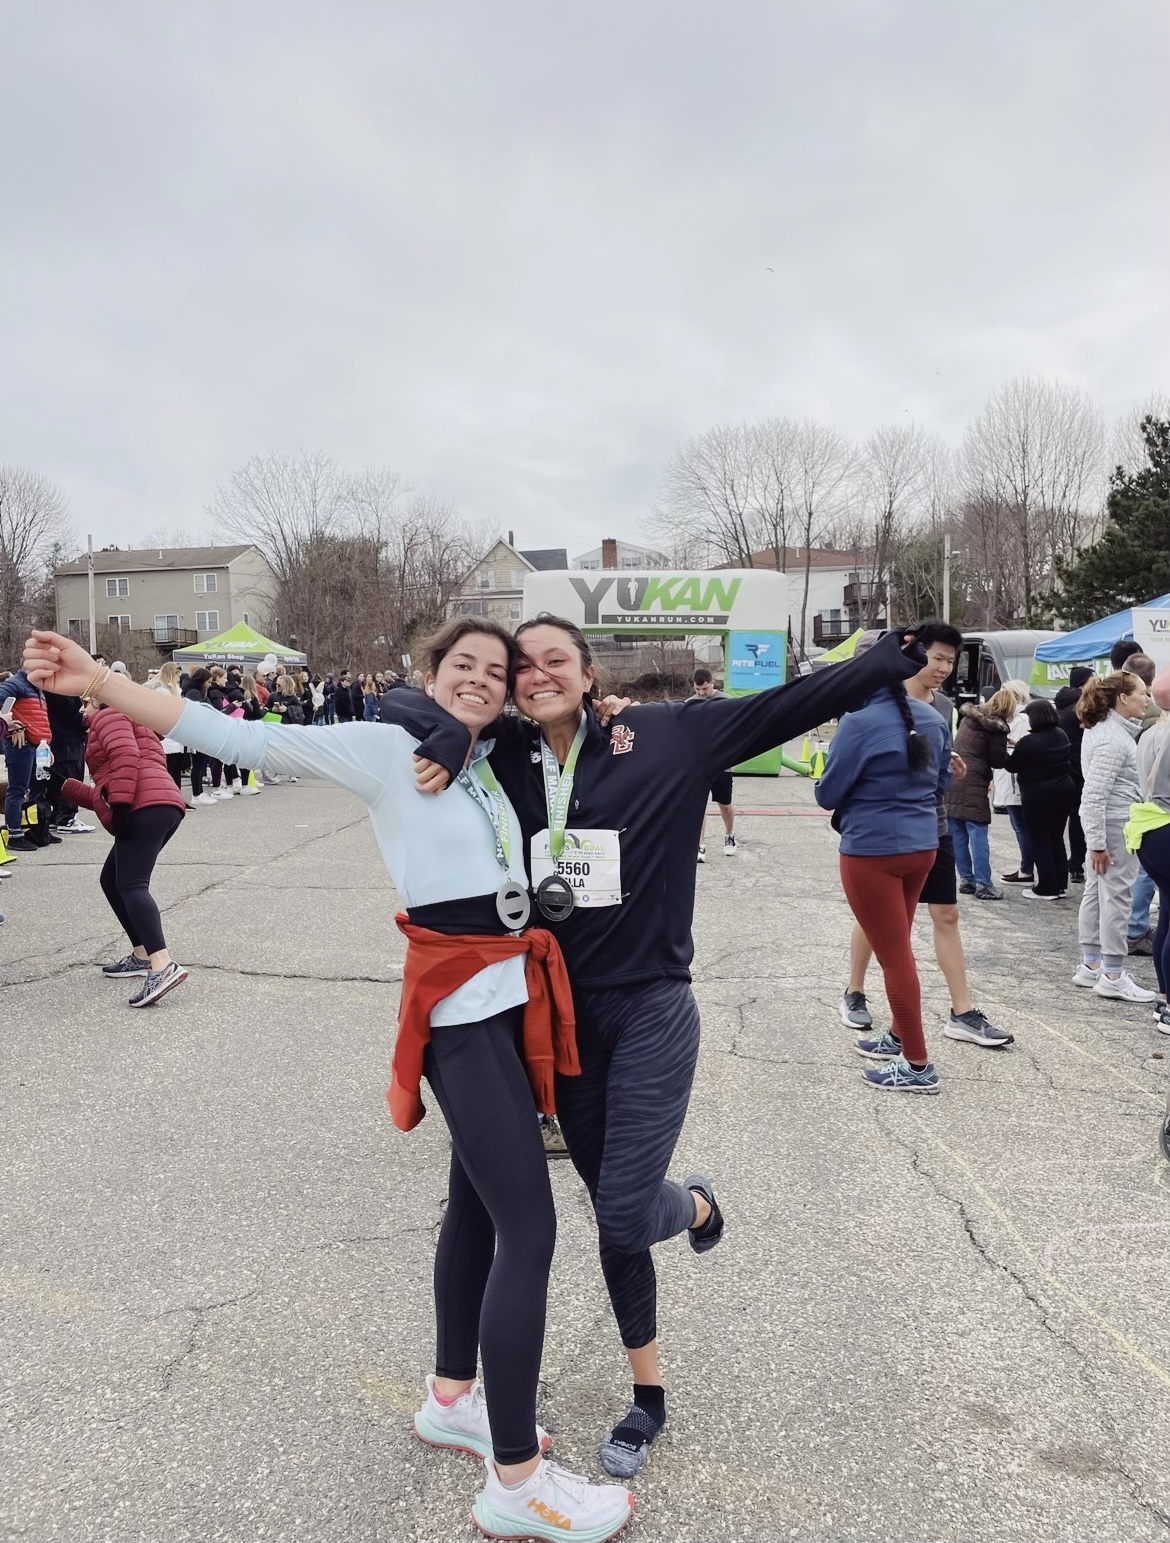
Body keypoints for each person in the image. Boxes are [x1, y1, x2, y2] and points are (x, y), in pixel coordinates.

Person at [22, 621, 636, 1543]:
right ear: (428, 676)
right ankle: (517, 1478)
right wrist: (100, 682)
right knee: (532, 1231)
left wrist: (567, 711)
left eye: (493, 672)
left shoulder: (481, 752)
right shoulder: (391, 747)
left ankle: (451, 1397)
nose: (478, 681)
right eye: (459, 667)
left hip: (506, 1009)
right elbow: (245, 737)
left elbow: (547, 723)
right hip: (462, 1023)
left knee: (473, 1210)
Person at [383, 615, 927, 1478]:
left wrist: (882, 661)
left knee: (631, 1210)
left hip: (652, 1009)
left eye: (555, 659)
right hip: (559, 1019)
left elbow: (788, 704)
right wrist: (447, 728)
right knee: (610, 1218)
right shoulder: (505, 759)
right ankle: (650, 1396)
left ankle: (699, 1206)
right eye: (524, 665)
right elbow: (401, 699)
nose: (535, 675)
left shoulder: (672, 734)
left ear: (591, 672)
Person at [841, 621, 1013, 1051]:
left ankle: (962, 1012)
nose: (942, 668)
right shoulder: (869, 708)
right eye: (936, 658)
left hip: (932, 827)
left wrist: (948, 768)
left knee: (947, 915)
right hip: (881, 836)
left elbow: (937, 766)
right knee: (882, 923)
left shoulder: (944, 708)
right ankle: (855, 991)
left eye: (950, 662)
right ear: (913, 656)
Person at [815, 663, 952, 1094]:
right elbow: (941, 783)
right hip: (922, 843)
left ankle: (916, 1063)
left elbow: (827, 794)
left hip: (872, 849)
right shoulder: (934, 718)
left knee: (895, 956)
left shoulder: (858, 723)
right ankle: (898, 1034)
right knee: (900, 944)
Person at [62, 698, 190, 1006]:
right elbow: (114, 780)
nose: (82, 710)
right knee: (112, 880)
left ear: (101, 702)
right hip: (161, 803)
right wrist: (63, 787)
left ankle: (162, 964)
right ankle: (142, 953)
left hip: (143, 805)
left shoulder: (110, 716)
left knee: (132, 885)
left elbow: (125, 757)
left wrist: (120, 805)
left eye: (86, 703)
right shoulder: (134, 720)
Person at [1074, 671, 1157, 1004]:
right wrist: (1097, 843)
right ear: (1123, 698)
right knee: (1116, 897)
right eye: (1142, 693)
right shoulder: (1113, 738)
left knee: (1097, 892)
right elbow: (1093, 795)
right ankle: (1112, 974)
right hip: (1114, 824)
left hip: (1108, 824)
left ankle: (1093, 965)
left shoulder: (1105, 730)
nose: (1147, 699)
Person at [1126, 668, 1170, 1031]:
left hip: (1148, 829)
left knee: (1167, 918)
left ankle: (1163, 998)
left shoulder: (1150, 733)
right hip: (1166, 826)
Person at [1004, 700, 1076, 899]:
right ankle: (1060, 885)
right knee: (1056, 837)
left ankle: (1046, 887)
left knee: (1039, 839)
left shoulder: (1030, 741)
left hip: (1037, 794)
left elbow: (1012, 765)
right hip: (1063, 790)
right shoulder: (1060, 735)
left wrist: (1007, 751)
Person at [943, 693, 1011, 900]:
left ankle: (966, 879)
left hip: (954, 776)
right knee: (978, 833)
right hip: (974, 782)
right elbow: (998, 761)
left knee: (958, 833)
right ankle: (984, 884)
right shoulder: (996, 728)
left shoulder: (969, 719)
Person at [1122, 654, 1159, 955]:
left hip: (1140, 804)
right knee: (1144, 873)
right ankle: (1135, 928)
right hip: (1153, 806)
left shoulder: (1133, 715)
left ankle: (1133, 926)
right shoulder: (1155, 715)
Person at [0, 667, 57, 854]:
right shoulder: (16, 683)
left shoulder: (37, 688)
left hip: (38, 745)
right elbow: (3, 704)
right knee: (18, 789)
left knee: (38, 789)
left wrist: (46, 745)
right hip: (21, 745)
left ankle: (38, 829)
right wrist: (13, 726)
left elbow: (40, 718)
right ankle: (15, 834)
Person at [689, 668, 737, 859]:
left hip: (722, 763)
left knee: (724, 804)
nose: (701, 693)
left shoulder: (727, 702)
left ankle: (729, 835)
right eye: (698, 689)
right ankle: (699, 844)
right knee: (698, 805)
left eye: (705, 689)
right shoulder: (690, 704)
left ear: (712, 684)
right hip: (699, 764)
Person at [991, 681, 1035, 884]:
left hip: (1014, 780)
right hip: (1010, 779)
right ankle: (1025, 867)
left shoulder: (1020, 719)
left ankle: (1026, 869)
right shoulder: (1015, 717)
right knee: (1019, 825)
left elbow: (1017, 748)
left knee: (1021, 826)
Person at [1056, 666, 1095, 883]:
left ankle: (1072, 865)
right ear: (1083, 684)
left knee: (1070, 818)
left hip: (1064, 770)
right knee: (1081, 818)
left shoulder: (1059, 706)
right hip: (1081, 770)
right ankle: (1079, 862)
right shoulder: (1083, 708)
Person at [45, 687, 94, 834]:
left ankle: (56, 815)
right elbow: (75, 714)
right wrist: (86, 724)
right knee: (71, 777)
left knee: (56, 778)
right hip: (69, 740)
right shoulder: (65, 691)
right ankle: (67, 817)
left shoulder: (46, 690)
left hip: (54, 738)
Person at [147, 661, 192, 806]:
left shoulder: (175, 690)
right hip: (167, 735)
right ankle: (168, 798)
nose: (179, 678)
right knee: (169, 768)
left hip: (175, 734)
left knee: (176, 768)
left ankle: (176, 797)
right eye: (177, 675)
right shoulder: (163, 691)